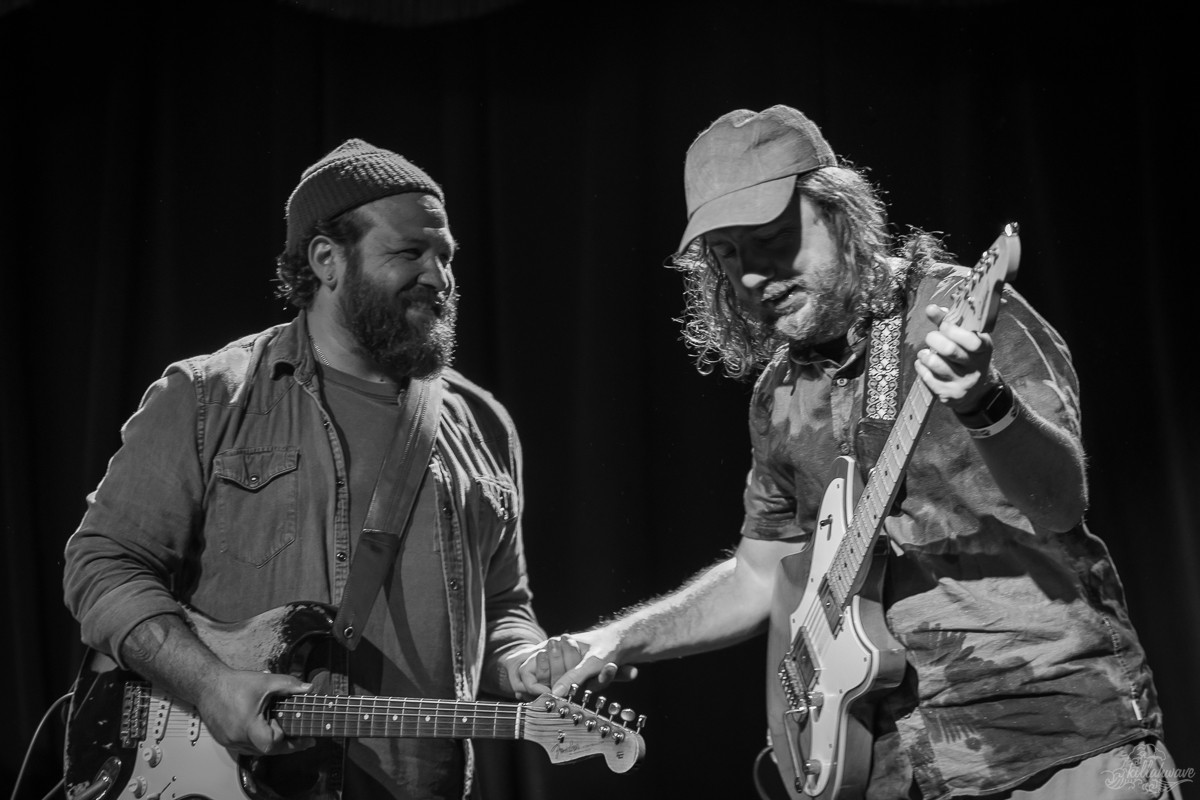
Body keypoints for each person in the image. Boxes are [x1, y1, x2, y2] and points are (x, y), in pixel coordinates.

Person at [519, 106, 1180, 799]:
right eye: (728, 257)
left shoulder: (953, 314)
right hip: (886, 768)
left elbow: (1061, 503)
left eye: (771, 239)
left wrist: (984, 402)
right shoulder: (779, 391)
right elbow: (759, 575)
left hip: (1048, 737)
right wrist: (618, 639)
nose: (750, 278)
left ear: (840, 212)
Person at [63, 138, 548, 799]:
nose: (439, 276)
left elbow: (505, 610)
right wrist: (210, 687)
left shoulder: (483, 424)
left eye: (445, 256)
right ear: (327, 260)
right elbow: (102, 564)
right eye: (410, 252)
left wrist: (528, 661)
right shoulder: (207, 397)